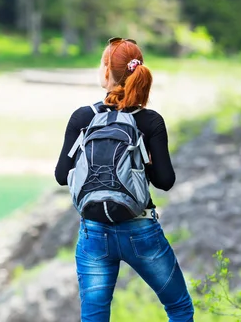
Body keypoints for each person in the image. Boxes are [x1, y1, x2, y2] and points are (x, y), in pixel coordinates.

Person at [54, 38, 195, 322]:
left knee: (94, 317)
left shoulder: (83, 117)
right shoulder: (150, 121)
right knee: (179, 308)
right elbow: (165, 181)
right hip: (141, 230)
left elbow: (61, 176)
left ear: (107, 72)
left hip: (94, 232)